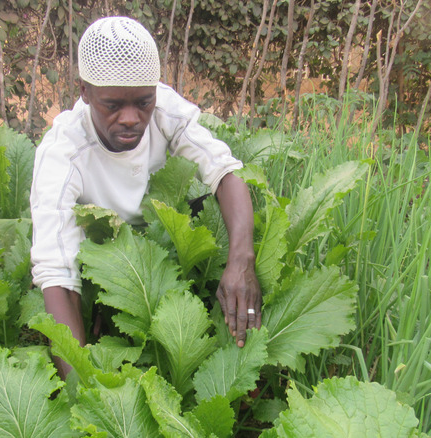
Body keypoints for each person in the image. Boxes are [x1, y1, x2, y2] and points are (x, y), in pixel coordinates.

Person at [29, 16, 261, 376]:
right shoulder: (62, 152)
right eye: (112, 105)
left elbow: (223, 171)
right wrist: (85, 384)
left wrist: (241, 262)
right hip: (106, 257)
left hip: (162, 239)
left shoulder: (166, 109)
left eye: (143, 101)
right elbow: (56, 273)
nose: (130, 118)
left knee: (214, 204)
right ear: (84, 92)